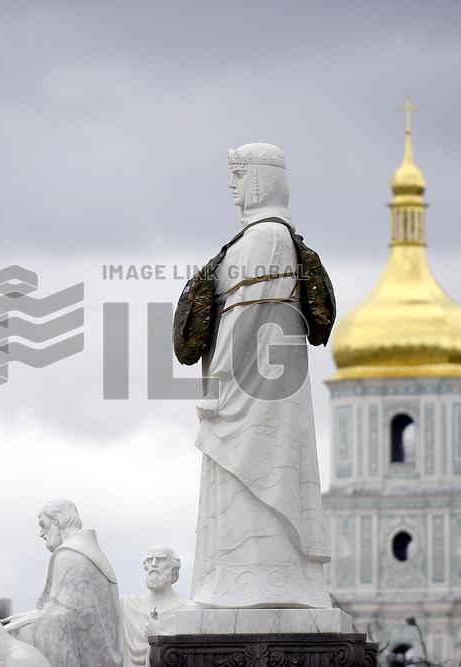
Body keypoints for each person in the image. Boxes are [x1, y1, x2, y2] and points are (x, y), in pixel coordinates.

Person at [190, 143, 331, 609]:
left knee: (259, 478)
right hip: (259, 382)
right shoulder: (256, 238)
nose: (231, 188)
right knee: (244, 484)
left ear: (259, 180)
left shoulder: (266, 237)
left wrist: (219, 385)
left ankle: (264, 583)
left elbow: (245, 319)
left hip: (256, 388)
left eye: (238, 176)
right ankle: (235, 582)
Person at [3, 499, 122, 667]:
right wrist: (22, 618)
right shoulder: (90, 553)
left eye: (43, 525)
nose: (41, 533)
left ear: (56, 520)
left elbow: (66, 619)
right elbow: (63, 610)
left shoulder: (70, 555)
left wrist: (10, 630)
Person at [120, 546, 188, 667]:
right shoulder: (127, 605)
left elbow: (187, 656)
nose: (154, 564)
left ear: (173, 569)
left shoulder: (186, 608)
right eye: (150, 560)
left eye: (161, 559)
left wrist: (159, 635)